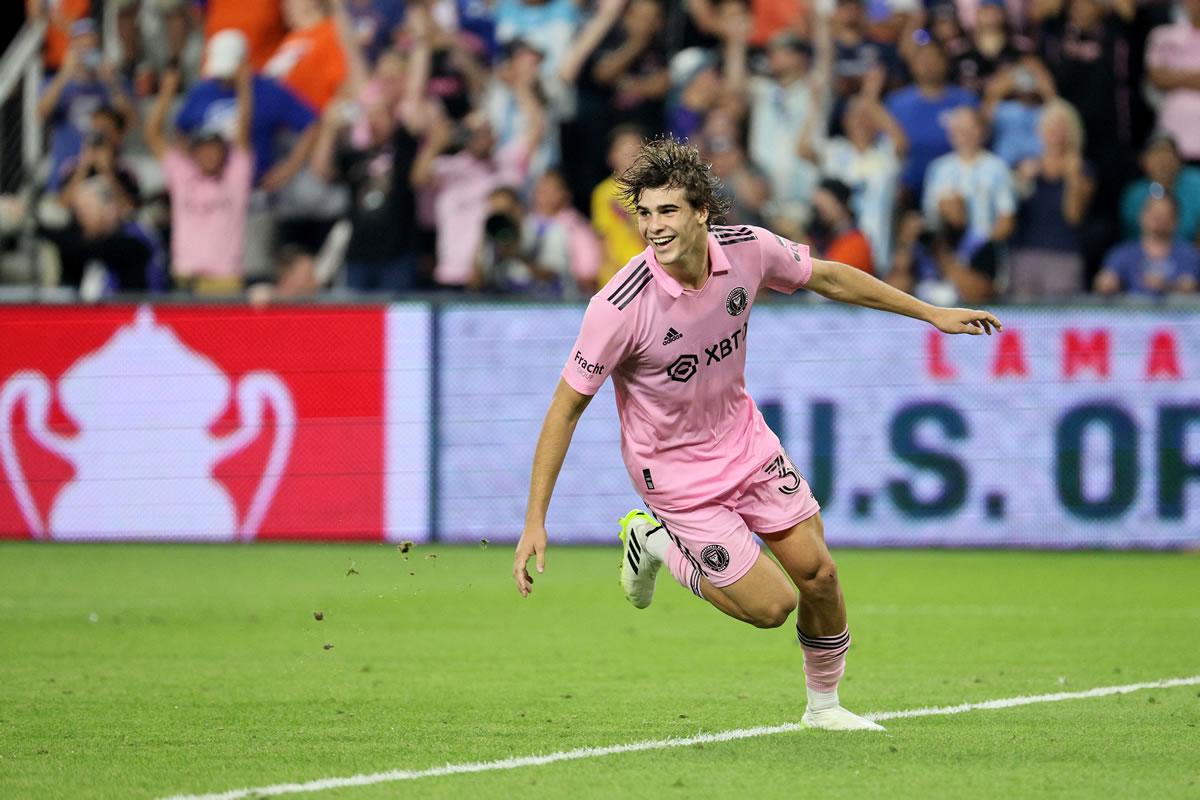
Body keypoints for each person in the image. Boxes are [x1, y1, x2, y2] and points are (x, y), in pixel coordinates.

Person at [511, 136, 1002, 731]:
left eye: (668, 211)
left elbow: (830, 279)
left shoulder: (748, 249)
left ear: (701, 212)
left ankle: (824, 708)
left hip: (745, 442)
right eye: (645, 213)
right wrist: (535, 519)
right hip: (676, 475)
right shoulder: (618, 307)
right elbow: (565, 409)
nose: (654, 226)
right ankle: (657, 542)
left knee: (820, 575)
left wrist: (931, 312)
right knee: (773, 606)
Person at [145, 65, 254, 292]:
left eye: (215, 148)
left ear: (224, 152)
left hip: (224, 280)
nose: (209, 154)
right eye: (203, 149)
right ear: (194, 153)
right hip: (185, 277)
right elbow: (153, 134)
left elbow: (243, 131)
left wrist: (244, 87)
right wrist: (166, 93)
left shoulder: (234, 178)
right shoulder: (183, 175)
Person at [1008, 99, 1094, 299]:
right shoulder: (1024, 165)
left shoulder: (1083, 169)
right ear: (1040, 130)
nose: (1056, 132)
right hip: (1024, 253)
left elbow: (1074, 216)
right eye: (1051, 125)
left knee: (1061, 311)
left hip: (1063, 254)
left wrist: (1073, 178)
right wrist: (1020, 181)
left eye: (1062, 126)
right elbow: (1008, 213)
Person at [885, 40, 978, 202]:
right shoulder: (897, 103)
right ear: (912, 65)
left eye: (934, 59)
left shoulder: (965, 100)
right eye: (923, 60)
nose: (929, 65)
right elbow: (888, 146)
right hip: (908, 186)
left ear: (946, 63)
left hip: (957, 185)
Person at [1095, 194, 1200, 296]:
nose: (1158, 219)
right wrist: (1107, 283)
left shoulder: (1188, 255)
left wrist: (1167, 285)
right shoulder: (1123, 253)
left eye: (1164, 215)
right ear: (1141, 215)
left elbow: (1190, 285)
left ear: (1175, 221)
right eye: (1154, 213)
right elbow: (1106, 279)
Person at [1145, 0, 1200, 165]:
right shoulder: (1163, 35)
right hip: (1174, 135)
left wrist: (1175, 76)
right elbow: (1157, 78)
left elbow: (1165, 77)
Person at [1119, 134, 1200, 244]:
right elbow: (1132, 238)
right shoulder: (1134, 195)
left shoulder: (1196, 182)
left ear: (1179, 159)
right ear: (1143, 161)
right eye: (1156, 154)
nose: (1163, 161)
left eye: (1168, 153)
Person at [810, 178, 873, 273]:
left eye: (822, 209)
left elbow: (830, 276)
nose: (819, 215)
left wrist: (798, 236)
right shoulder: (827, 237)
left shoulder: (856, 243)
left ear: (839, 204)